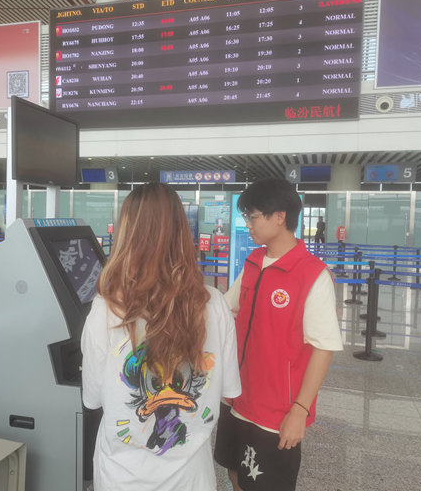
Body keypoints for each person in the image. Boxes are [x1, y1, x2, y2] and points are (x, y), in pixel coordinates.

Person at [81, 182, 242, 491]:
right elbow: (228, 389)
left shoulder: (106, 308)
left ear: (127, 235)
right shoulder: (213, 304)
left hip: (121, 479)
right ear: (182, 232)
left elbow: (94, 398)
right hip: (193, 480)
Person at [214, 179, 343, 491]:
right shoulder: (253, 262)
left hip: (275, 412)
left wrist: (300, 410)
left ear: (279, 216)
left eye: (253, 216)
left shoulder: (312, 274)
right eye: (246, 217)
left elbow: (323, 348)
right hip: (235, 397)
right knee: (235, 475)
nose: (248, 224)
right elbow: (224, 308)